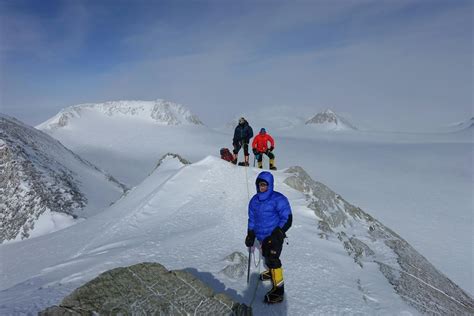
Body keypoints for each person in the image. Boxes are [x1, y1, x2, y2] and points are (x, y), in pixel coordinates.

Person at [245, 171, 292, 304]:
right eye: (260, 184)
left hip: (274, 236)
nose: (262, 187)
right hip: (261, 237)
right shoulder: (254, 201)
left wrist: (278, 233)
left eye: (265, 185)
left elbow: (287, 217)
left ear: (270, 185)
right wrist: (250, 233)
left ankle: (278, 291)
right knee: (266, 255)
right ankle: (271, 273)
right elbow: (252, 219)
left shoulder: (278, 199)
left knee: (273, 259)